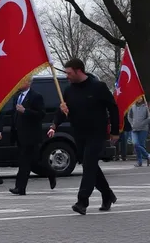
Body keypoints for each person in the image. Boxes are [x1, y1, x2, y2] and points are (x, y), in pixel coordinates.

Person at [49, 58, 119, 215]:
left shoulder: (98, 87)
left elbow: (113, 108)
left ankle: (82, 201)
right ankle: (107, 194)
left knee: (88, 165)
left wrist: (115, 131)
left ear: (78, 70)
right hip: (79, 134)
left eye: (69, 73)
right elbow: (62, 111)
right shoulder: (69, 90)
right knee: (90, 166)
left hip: (97, 133)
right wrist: (55, 124)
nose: (67, 76)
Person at [9, 77, 56, 195]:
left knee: (24, 162)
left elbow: (41, 114)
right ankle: (50, 173)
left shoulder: (36, 96)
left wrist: (25, 111)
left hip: (31, 135)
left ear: (29, 83)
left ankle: (20, 188)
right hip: (19, 135)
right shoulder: (17, 97)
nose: (19, 83)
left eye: (22, 81)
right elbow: (14, 116)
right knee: (33, 163)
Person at [128, 97, 150, 167]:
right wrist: (132, 124)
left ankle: (139, 162)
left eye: (140, 97)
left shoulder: (146, 107)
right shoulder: (132, 106)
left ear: (142, 98)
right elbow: (129, 116)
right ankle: (148, 156)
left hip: (143, 129)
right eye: (138, 97)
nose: (139, 99)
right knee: (135, 144)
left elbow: (149, 118)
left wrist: (143, 123)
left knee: (141, 145)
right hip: (134, 129)